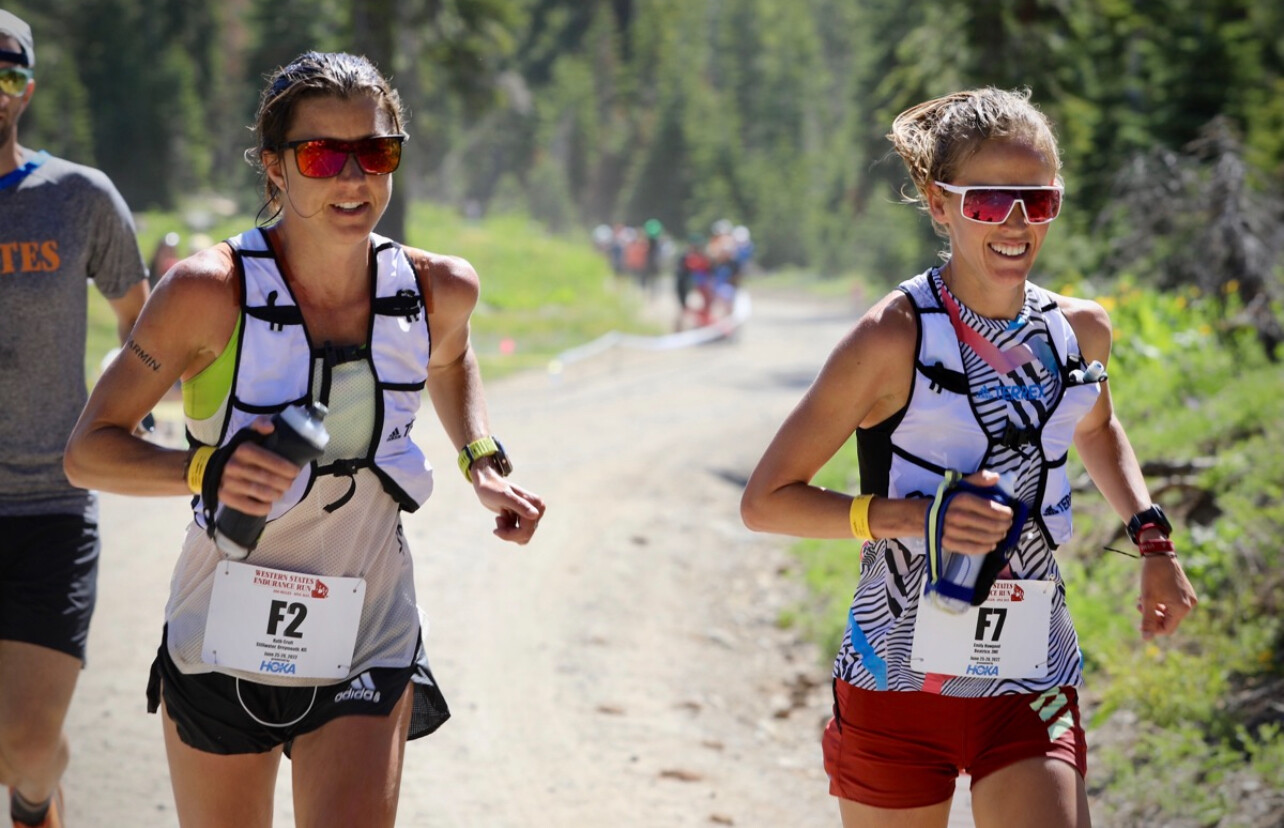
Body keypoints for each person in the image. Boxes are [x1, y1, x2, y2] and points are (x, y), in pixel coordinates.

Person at [63, 51, 545, 827]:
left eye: (376, 152)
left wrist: (480, 459)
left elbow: (452, 357)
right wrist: (207, 470)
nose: (353, 178)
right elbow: (89, 451)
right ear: (275, 168)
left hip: (369, 631)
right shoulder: (207, 292)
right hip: (218, 631)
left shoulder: (437, 288)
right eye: (323, 155)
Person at [740, 87, 1198, 828]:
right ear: (939, 205)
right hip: (894, 679)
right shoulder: (890, 337)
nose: (1016, 224)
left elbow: (1096, 428)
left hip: (1031, 679)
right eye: (988, 202)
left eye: (1038, 202)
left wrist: (1152, 539)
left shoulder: (1079, 331)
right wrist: (913, 518)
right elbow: (765, 501)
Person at [0, 11, 150, 828]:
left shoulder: (78, 198)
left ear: (28, 89)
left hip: (48, 503)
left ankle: (37, 798)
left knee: (26, 746)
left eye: (9, 73)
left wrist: (130, 413)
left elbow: (142, 325)